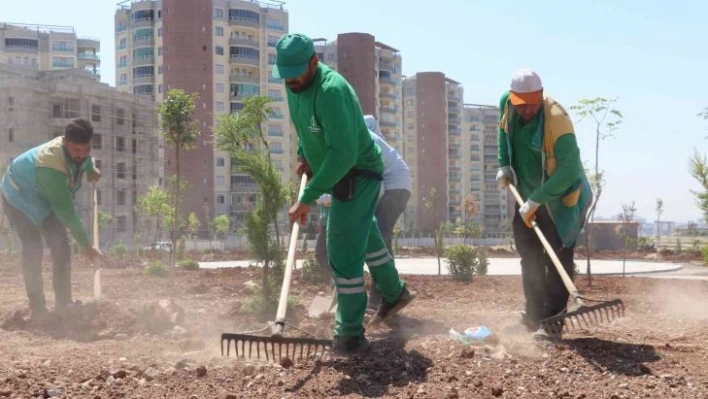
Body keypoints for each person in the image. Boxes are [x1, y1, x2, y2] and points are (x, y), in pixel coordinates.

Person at [274, 32, 414, 354]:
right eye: (286, 74)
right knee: (367, 238)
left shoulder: (332, 92)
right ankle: (395, 293)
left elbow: (342, 156)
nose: (291, 80)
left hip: (357, 173)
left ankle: (350, 333)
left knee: (341, 251)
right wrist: (303, 155)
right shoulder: (294, 85)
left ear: (314, 62)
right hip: (338, 172)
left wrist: (307, 198)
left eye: (297, 71)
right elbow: (304, 126)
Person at [496, 69, 592, 339]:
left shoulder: (557, 121)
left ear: (541, 95)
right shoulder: (507, 103)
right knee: (530, 258)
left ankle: (553, 320)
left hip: (560, 199)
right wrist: (504, 165)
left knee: (558, 256)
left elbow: (570, 169)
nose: (526, 110)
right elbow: (503, 133)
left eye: (532, 104)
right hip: (526, 197)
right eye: (520, 104)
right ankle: (532, 315)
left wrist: (537, 199)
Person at [1, 118, 102, 320]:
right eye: (76, 150)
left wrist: (91, 170)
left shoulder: (80, 155)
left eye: (86, 150)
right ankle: (37, 308)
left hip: (43, 197)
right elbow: (66, 212)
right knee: (33, 248)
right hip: (18, 196)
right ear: (65, 142)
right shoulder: (50, 165)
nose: (81, 155)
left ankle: (64, 304)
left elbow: (86, 161)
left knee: (61, 247)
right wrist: (86, 246)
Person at [314, 120, 412, 312]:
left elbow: (375, 185)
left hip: (394, 186)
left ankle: (381, 298)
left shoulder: (362, 141)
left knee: (378, 240)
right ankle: (352, 290)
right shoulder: (344, 141)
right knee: (372, 240)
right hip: (384, 186)